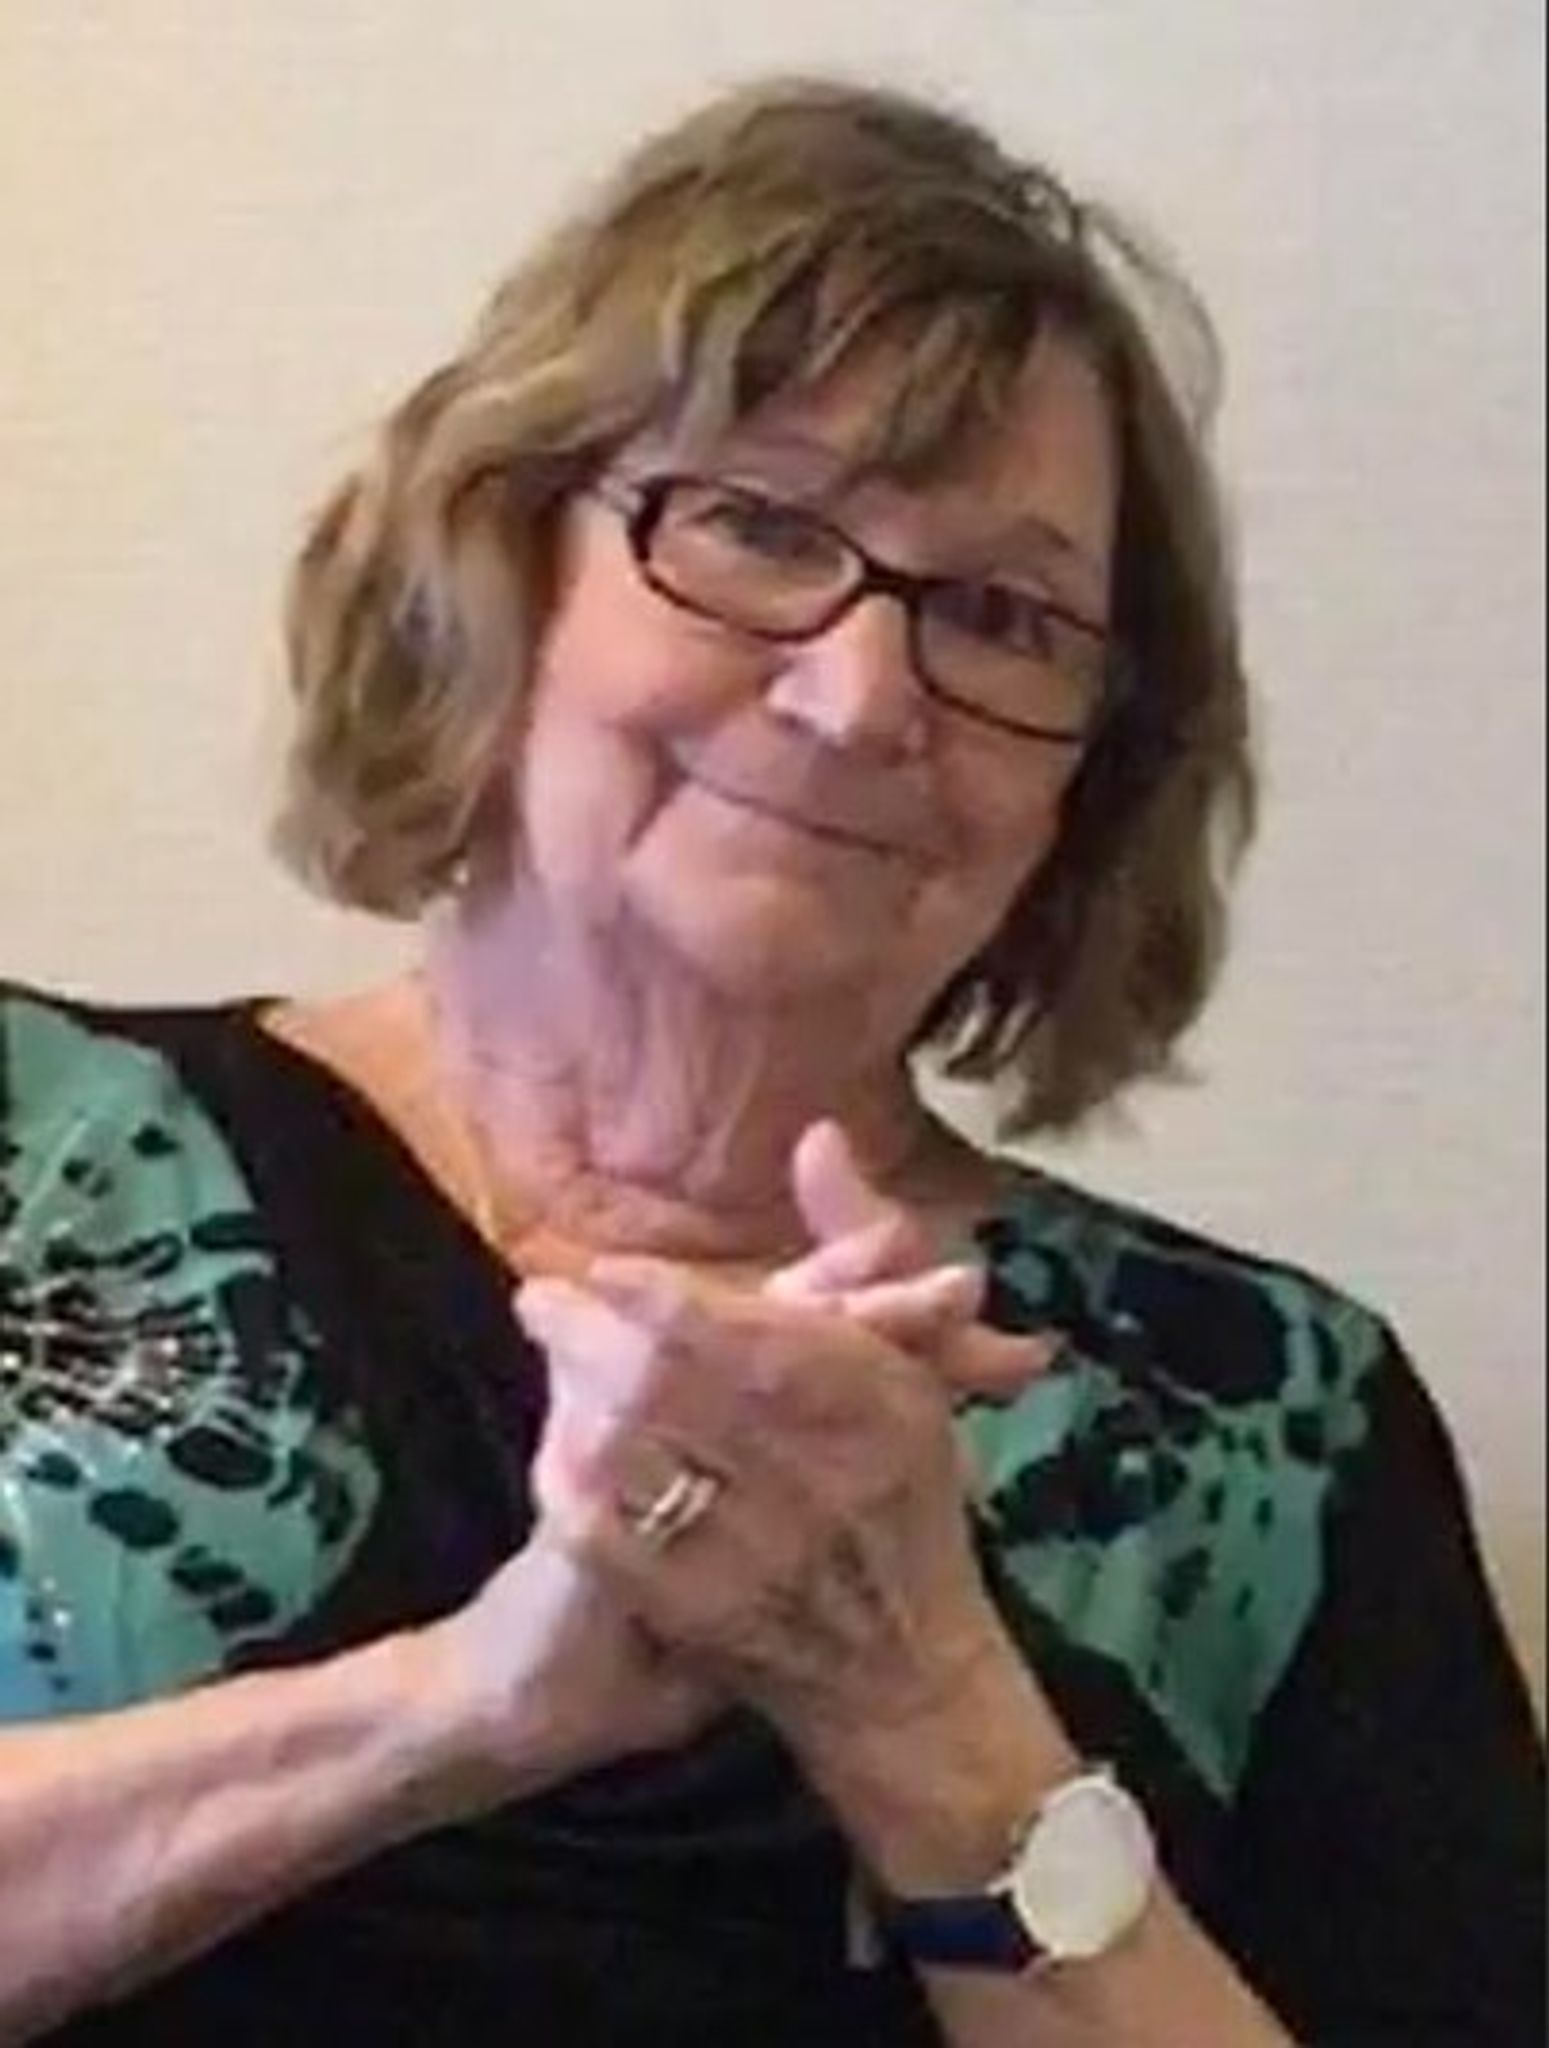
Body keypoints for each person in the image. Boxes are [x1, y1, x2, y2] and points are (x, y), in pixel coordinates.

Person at [0, 74, 1541, 2048]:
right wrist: (465, 1704)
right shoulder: (37, 1139)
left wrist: (917, 1703)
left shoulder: (1269, 1424)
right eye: (752, 523)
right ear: (495, 558)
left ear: (1091, 778)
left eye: (1001, 614)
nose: (859, 693)